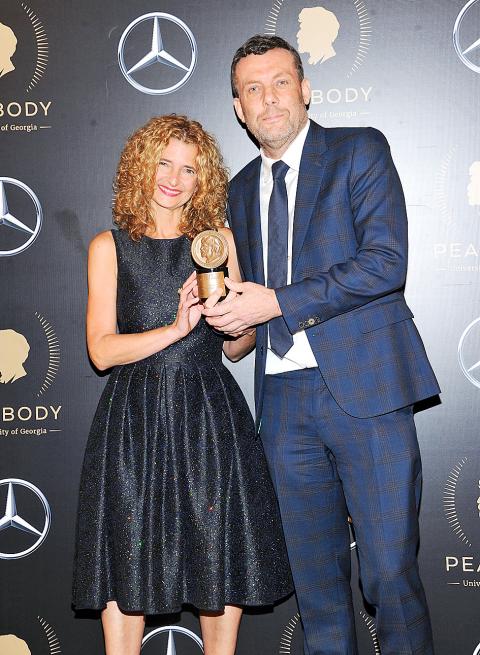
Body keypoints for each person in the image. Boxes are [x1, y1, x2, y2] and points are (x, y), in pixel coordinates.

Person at [203, 35, 440, 655]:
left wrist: (276, 303)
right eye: (252, 89)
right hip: (283, 405)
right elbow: (247, 320)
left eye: (280, 82)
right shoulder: (238, 191)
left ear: (305, 90)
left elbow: (385, 263)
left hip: (368, 393)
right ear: (238, 108)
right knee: (317, 591)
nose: (268, 99)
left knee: (390, 576)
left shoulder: (359, 150)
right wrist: (229, 320)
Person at [72, 114, 293, 655]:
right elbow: (102, 350)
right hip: (133, 422)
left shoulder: (218, 244)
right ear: (141, 167)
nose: (174, 178)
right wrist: (175, 329)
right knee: (125, 562)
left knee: (219, 555)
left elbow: (236, 348)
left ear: (204, 179)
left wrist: (235, 320)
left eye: (189, 169)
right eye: (164, 163)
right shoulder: (109, 247)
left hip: (209, 418)